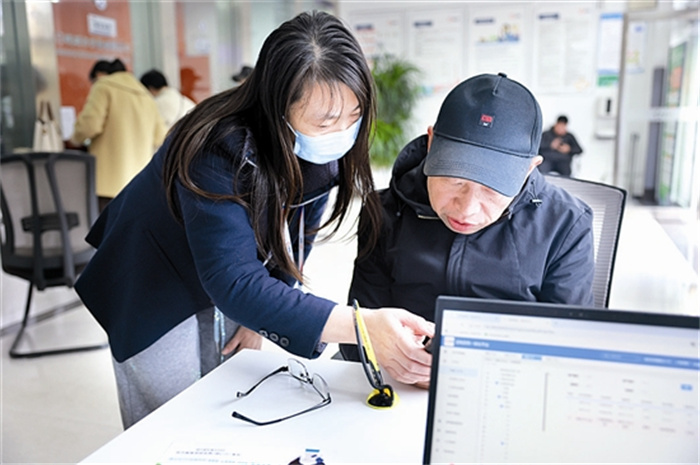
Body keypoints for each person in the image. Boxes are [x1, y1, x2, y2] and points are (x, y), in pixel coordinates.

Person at [74, 11, 433, 429]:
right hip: (150, 273)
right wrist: (362, 326)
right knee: (168, 419)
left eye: (354, 116)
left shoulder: (321, 151)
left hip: (222, 263)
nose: (342, 132)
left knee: (220, 397)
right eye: (326, 121)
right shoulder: (214, 146)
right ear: (276, 106)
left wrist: (260, 316)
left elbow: (296, 235)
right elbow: (233, 281)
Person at [340, 73, 594, 364]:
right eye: (454, 181)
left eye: (491, 189)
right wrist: (389, 355)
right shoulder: (384, 210)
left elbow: (568, 349)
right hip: (396, 378)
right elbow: (358, 334)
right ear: (431, 143)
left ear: (529, 168)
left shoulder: (566, 224)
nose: (466, 210)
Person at [69, 59, 167, 211]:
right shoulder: (145, 94)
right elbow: (160, 137)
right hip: (138, 181)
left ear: (99, 75)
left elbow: (89, 126)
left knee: (105, 222)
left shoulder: (103, 86)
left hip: (108, 182)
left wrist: (74, 140)